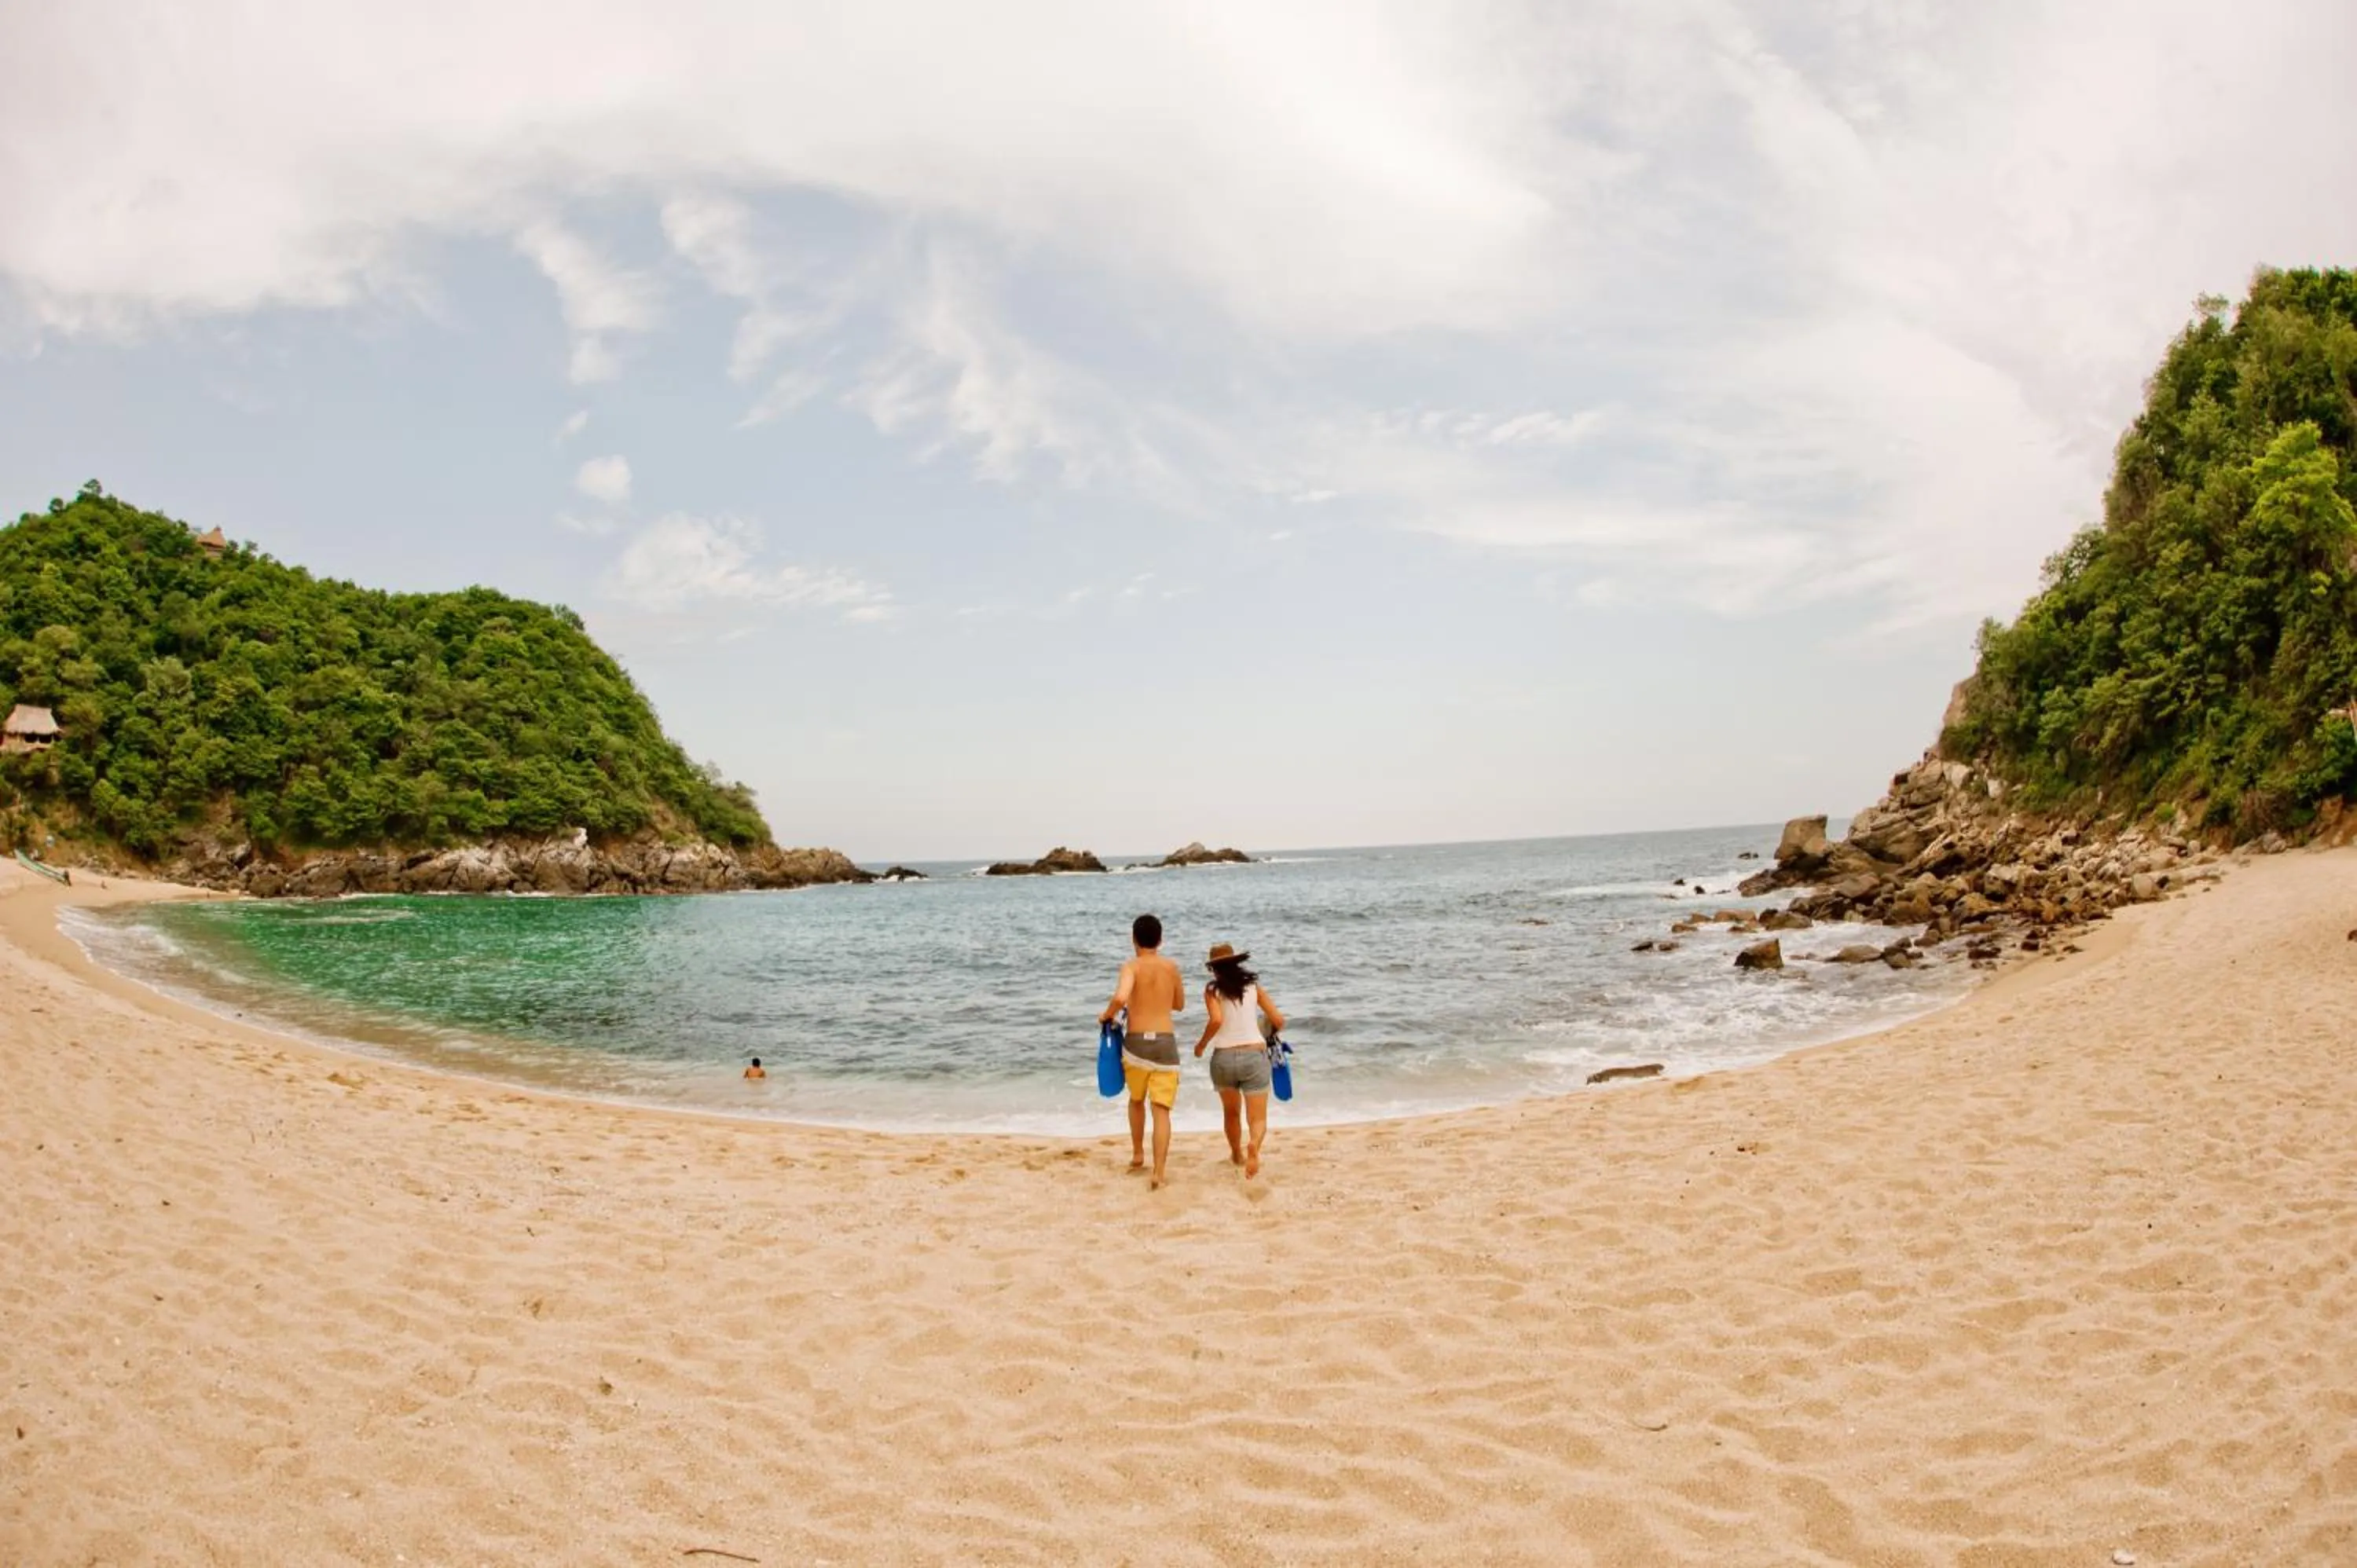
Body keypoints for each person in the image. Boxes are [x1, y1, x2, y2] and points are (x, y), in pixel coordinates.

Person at [1100, 914, 1186, 1189]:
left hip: (1136, 1043)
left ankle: (1138, 1155)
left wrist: (1106, 1015)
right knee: (1161, 1110)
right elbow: (1179, 1004)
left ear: (1133, 939)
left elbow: (1120, 998)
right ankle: (1159, 1172)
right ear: (1160, 940)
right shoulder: (1171, 967)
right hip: (1165, 1043)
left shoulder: (1131, 967)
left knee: (1136, 1100)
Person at [1193, 942, 1285, 1178]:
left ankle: (1236, 1153)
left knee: (1231, 1113)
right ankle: (1253, 1144)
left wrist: (1202, 1045)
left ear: (1214, 969)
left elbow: (1215, 1021)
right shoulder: (1253, 986)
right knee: (1257, 1117)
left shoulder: (1212, 989)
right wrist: (1267, 1032)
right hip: (1254, 1056)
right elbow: (1278, 1019)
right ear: (1236, 963)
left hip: (1223, 1058)